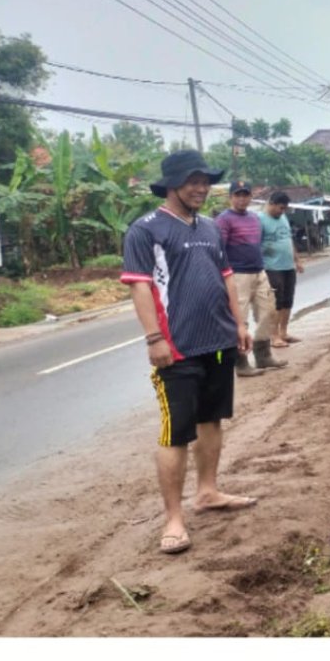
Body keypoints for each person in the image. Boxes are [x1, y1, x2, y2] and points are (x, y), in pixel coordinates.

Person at [120, 151, 255, 555]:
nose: (200, 188)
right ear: (172, 184)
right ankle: (174, 518)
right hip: (176, 348)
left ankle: (209, 491)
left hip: (217, 342)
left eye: (205, 181)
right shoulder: (147, 230)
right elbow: (140, 286)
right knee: (176, 431)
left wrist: (240, 325)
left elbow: (226, 277)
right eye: (192, 181)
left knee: (212, 419)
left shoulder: (212, 228)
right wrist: (153, 338)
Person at [213, 181, 284, 375]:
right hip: (237, 275)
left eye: (246, 195)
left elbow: (256, 244)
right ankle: (241, 362)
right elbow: (219, 250)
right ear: (231, 197)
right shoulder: (223, 220)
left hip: (259, 271)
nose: (242, 199)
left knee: (268, 311)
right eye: (238, 195)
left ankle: (263, 355)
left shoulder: (254, 218)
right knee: (240, 319)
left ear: (250, 197)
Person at [260, 190, 305, 348]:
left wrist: (297, 261)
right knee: (276, 302)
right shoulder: (260, 220)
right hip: (272, 267)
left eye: (284, 209)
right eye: (280, 208)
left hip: (288, 266)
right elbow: (255, 245)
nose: (282, 211)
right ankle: (274, 336)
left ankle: (284, 332)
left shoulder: (283, 217)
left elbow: (288, 240)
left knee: (287, 301)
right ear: (271, 203)